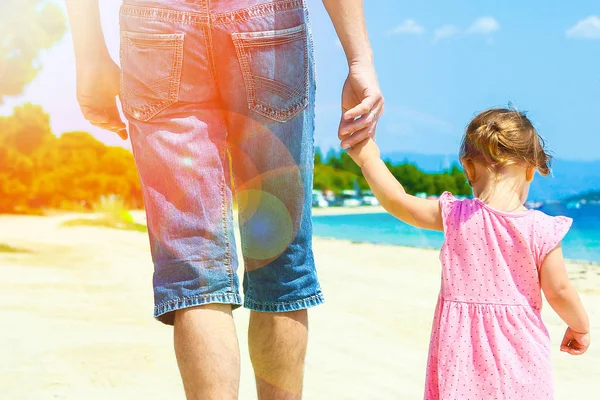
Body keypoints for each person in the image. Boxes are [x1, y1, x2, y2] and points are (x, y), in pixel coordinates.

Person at [65, 0, 382, 398]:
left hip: (156, 24)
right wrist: (360, 58)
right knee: (279, 256)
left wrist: (90, 54)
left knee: (195, 267)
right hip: (266, 19)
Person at [344, 108, 590, 399]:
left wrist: (367, 157)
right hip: (521, 354)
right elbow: (559, 290)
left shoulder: (454, 216)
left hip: (461, 355)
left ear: (468, 168)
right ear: (530, 169)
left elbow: (398, 200)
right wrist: (580, 326)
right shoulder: (542, 229)